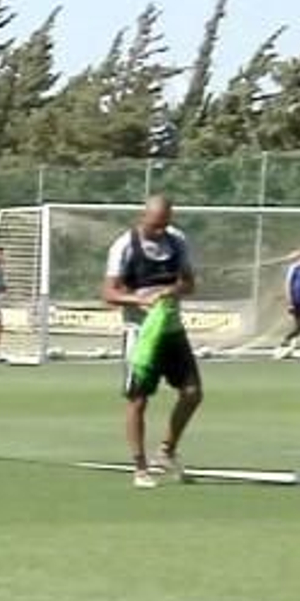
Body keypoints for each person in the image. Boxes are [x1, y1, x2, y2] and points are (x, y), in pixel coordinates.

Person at [101, 195, 200, 489]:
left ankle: (166, 451)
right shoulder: (124, 246)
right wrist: (138, 299)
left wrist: (171, 291)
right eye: (155, 225)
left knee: (192, 393)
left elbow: (189, 283)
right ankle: (140, 468)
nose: (160, 230)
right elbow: (108, 293)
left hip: (172, 330)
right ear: (143, 217)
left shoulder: (177, 241)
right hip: (141, 335)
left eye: (165, 224)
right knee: (138, 400)